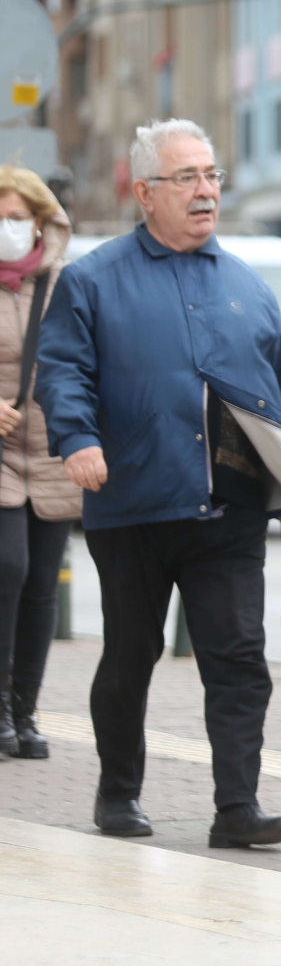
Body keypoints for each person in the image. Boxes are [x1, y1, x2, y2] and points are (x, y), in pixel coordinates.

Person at [35, 119, 281, 846]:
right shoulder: (92, 280)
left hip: (230, 508)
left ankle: (237, 808)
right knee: (131, 656)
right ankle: (118, 794)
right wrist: (78, 438)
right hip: (133, 502)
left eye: (211, 175)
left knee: (239, 658)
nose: (204, 190)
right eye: (186, 177)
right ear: (144, 193)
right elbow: (63, 371)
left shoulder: (248, 286)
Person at [0, 167, 78, 760]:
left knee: (42, 583)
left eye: (17, 217)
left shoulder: (64, 285)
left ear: (40, 223)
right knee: (9, 568)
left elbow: (85, 361)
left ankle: (25, 711)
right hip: (2, 453)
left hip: (51, 453)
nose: (8, 227)